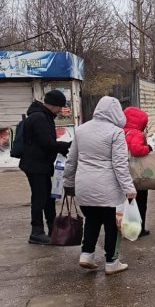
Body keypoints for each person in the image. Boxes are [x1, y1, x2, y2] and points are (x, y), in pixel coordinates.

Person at [63, 96, 136, 275]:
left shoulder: (81, 130)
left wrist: (68, 183)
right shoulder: (115, 133)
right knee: (112, 225)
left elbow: (71, 161)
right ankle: (112, 262)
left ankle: (87, 254)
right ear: (115, 112)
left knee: (92, 221)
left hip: (84, 187)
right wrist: (128, 188)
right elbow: (120, 164)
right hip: (108, 189)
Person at [19, 89, 71, 245]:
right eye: (60, 106)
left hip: (40, 164)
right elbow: (47, 143)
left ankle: (52, 229)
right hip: (35, 165)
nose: (61, 110)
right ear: (54, 105)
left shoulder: (43, 116)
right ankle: (36, 232)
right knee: (39, 199)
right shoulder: (39, 118)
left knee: (48, 198)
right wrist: (67, 146)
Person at [123, 106, 153, 237]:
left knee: (127, 202)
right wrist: (148, 148)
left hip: (122, 173)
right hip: (136, 174)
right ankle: (139, 228)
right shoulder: (136, 133)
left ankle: (125, 227)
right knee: (140, 201)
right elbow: (136, 150)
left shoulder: (120, 132)